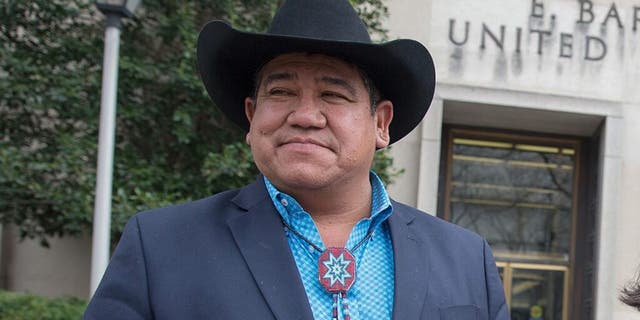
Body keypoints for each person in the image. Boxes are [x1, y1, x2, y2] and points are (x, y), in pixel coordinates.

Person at [84, 0, 509, 319]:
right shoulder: (160, 247)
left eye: (333, 94)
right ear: (252, 117)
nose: (304, 116)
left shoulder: (466, 259)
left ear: (381, 124)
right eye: (281, 92)